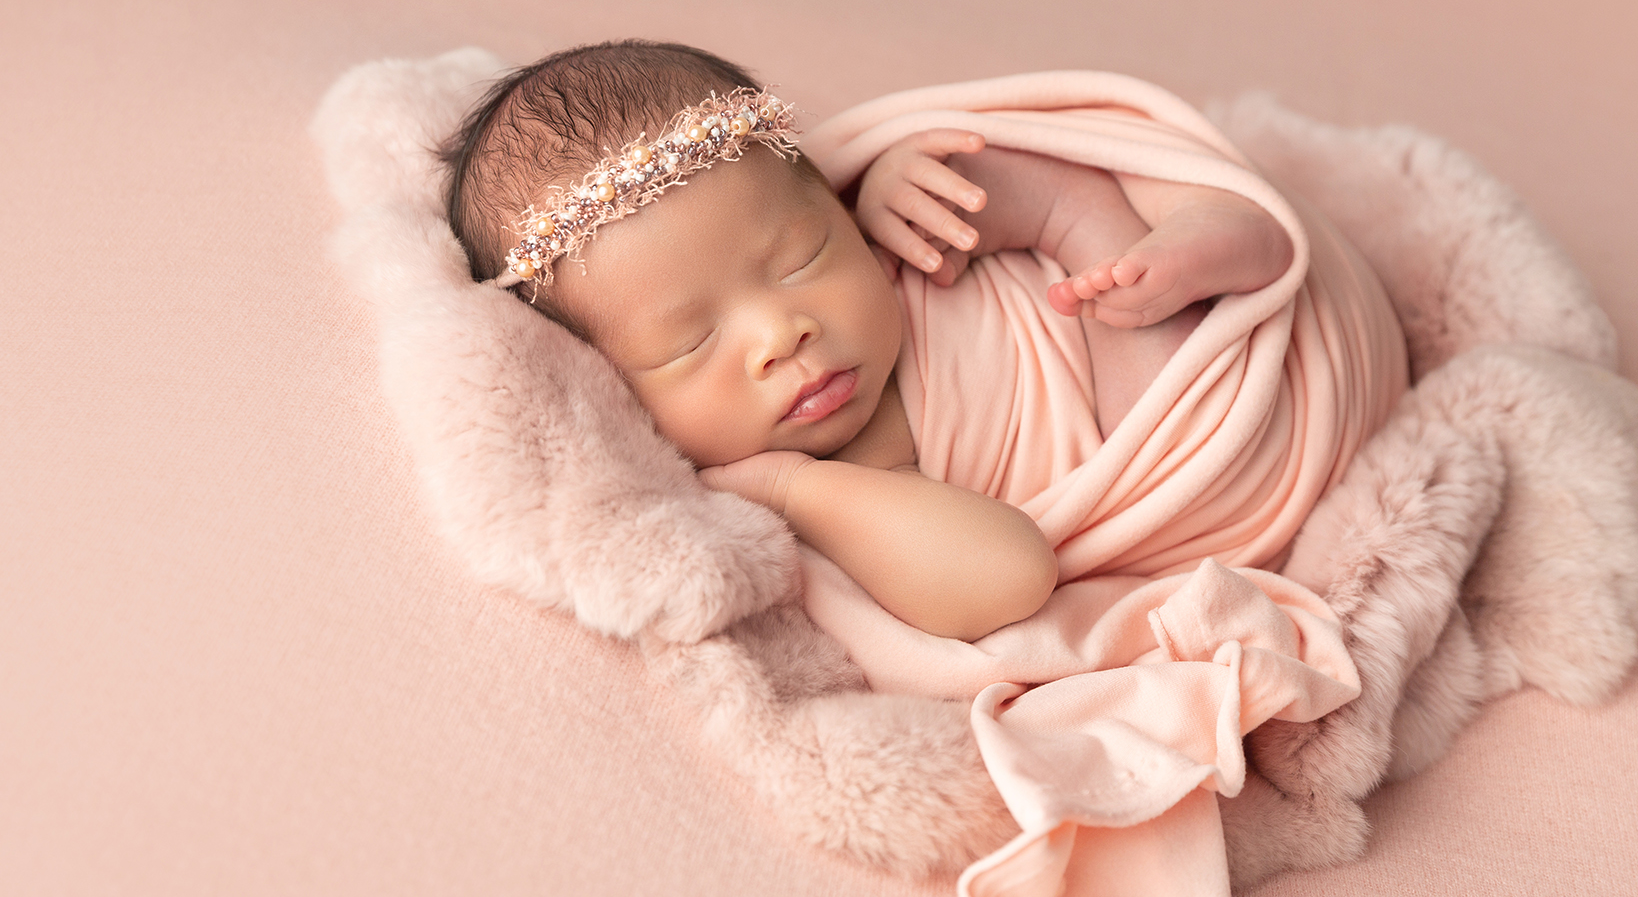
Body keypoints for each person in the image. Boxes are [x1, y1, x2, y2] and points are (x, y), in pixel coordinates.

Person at [439, 40, 1297, 641]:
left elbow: (880, 186)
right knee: (1138, 336)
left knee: (962, 181)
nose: (782, 331)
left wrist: (885, 186)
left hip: (1036, 271)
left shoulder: (872, 241)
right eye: (687, 343)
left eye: (802, 256)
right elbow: (1009, 571)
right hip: (1171, 427)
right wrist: (797, 489)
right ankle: (1167, 238)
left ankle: (1154, 217)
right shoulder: (840, 488)